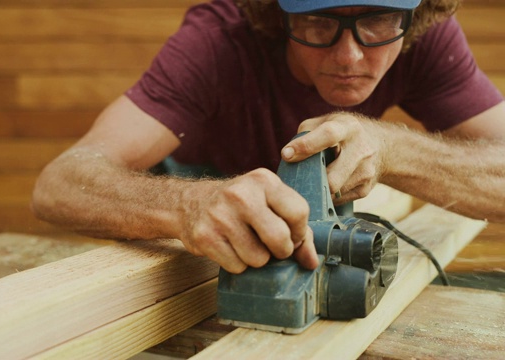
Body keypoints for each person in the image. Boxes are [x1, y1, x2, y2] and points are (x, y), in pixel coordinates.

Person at [31, 0, 505, 274]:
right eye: (318, 21)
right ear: (278, 14)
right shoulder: (216, 41)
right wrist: (188, 206)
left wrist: (394, 150)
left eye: (378, 21)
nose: (350, 57)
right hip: (198, 193)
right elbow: (60, 184)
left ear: (416, 13)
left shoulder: (426, 37)